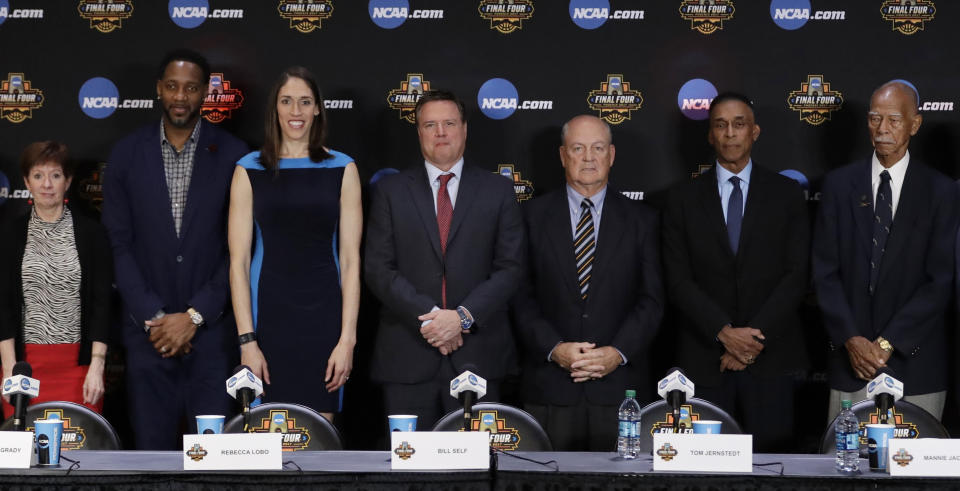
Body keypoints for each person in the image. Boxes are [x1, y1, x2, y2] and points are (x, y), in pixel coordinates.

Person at [102, 49, 249, 449]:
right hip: (148, 342)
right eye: (172, 86)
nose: (180, 96)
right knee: (152, 459)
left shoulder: (236, 157)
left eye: (190, 87)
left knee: (216, 463)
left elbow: (238, 252)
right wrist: (155, 316)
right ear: (158, 89)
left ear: (205, 92)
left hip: (213, 341)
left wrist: (196, 315)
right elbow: (119, 245)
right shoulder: (125, 155)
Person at [365, 90, 525, 429]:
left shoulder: (498, 190)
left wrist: (463, 318)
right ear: (419, 132)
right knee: (408, 471)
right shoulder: (390, 191)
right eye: (431, 124)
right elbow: (379, 269)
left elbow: (511, 268)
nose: (441, 132)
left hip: (480, 357)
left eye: (449, 123)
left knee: (479, 473)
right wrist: (435, 319)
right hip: (407, 359)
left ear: (464, 130)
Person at [662, 92, 809, 452]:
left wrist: (751, 343)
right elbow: (677, 279)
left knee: (774, 470)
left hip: (771, 362)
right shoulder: (680, 199)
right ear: (710, 135)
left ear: (755, 132)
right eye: (720, 125)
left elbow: (797, 275)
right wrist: (723, 333)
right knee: (703, 470)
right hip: (704, 360)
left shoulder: (788, 194)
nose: (730, 133)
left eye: (739, 124)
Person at [512, 115, 663, 451]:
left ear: (611, 155)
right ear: (563, 155)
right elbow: (520, 297)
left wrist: (617, 353)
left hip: (620, 390)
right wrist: (555, 348)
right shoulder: (530, 217)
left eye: (597, 148)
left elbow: (652, 300)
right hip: (550, 386)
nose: (589, 157)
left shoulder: (644, 220)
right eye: (578, 148)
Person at [814, 81, 959, 422]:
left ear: (915, 124)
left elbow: (940, 279)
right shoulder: (837, 186)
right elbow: (824, 273)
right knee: (844, 465)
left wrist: (886, 343)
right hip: (852, 364)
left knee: (915, 470)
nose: (882, 129)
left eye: (893, 119)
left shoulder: (941, 191)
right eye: (874, 118)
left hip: (916, 362)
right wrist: (852, 340)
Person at [228, 66, 361, 421]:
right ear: (275, 108)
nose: (296, 111)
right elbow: (238, 263)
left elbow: (350, 262)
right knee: (265, 438)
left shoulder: (343, 168)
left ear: (318, 108)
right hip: (267, 321)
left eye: (305, 102)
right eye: (287, 101)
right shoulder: (249, 169)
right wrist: (248, 341)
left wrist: (346, 340)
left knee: (319, 437)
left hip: (324, 322)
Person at [0, 141, 112, 417]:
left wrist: (96, 366)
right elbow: (2, 306)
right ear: (27, 181)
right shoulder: (10, 234)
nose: (47, 184)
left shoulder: (92, 234)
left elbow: (102, 304)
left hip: (79, 368)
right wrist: (9, 369)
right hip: (25, 366)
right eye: (38, 176)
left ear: (68, 181)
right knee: (25, 455)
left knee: (80, 452)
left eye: (55, 175)